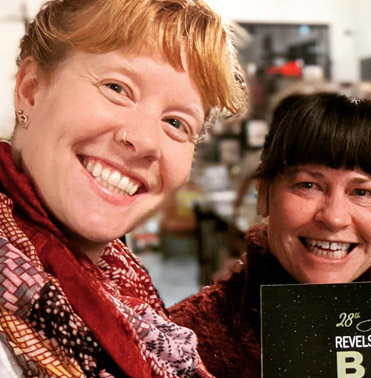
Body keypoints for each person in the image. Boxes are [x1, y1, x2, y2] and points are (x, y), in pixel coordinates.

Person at [0, 0, 247, 376]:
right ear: (31, 91)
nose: (146, 141)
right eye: (117, 88)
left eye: (177, 123)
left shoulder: (128, 297)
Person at [169, 93, 371, 378]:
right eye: (308, 185)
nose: (334, 217)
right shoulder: (180, 347)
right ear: (264, 195)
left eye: (362, 192)